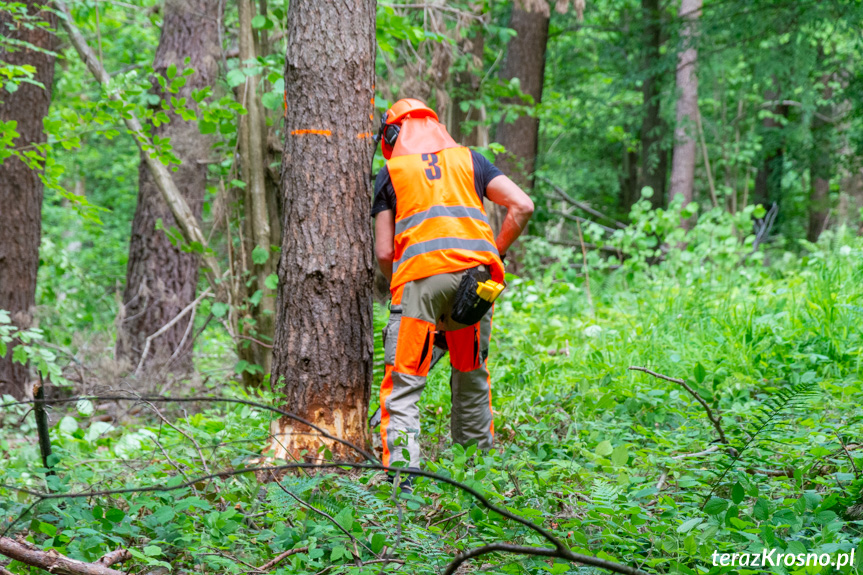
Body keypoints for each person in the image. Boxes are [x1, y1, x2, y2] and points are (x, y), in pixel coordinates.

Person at [371, 98, 534, 476]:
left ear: (392, 135)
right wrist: (493, 253)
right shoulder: (471, 159)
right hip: (476, 282)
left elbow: (383, 251)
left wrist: (402, 279)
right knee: (471, 374)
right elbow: (522, 205)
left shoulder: (392, 171)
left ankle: (403, 482)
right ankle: (475, 474)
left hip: (420, 283)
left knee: (405, 382)